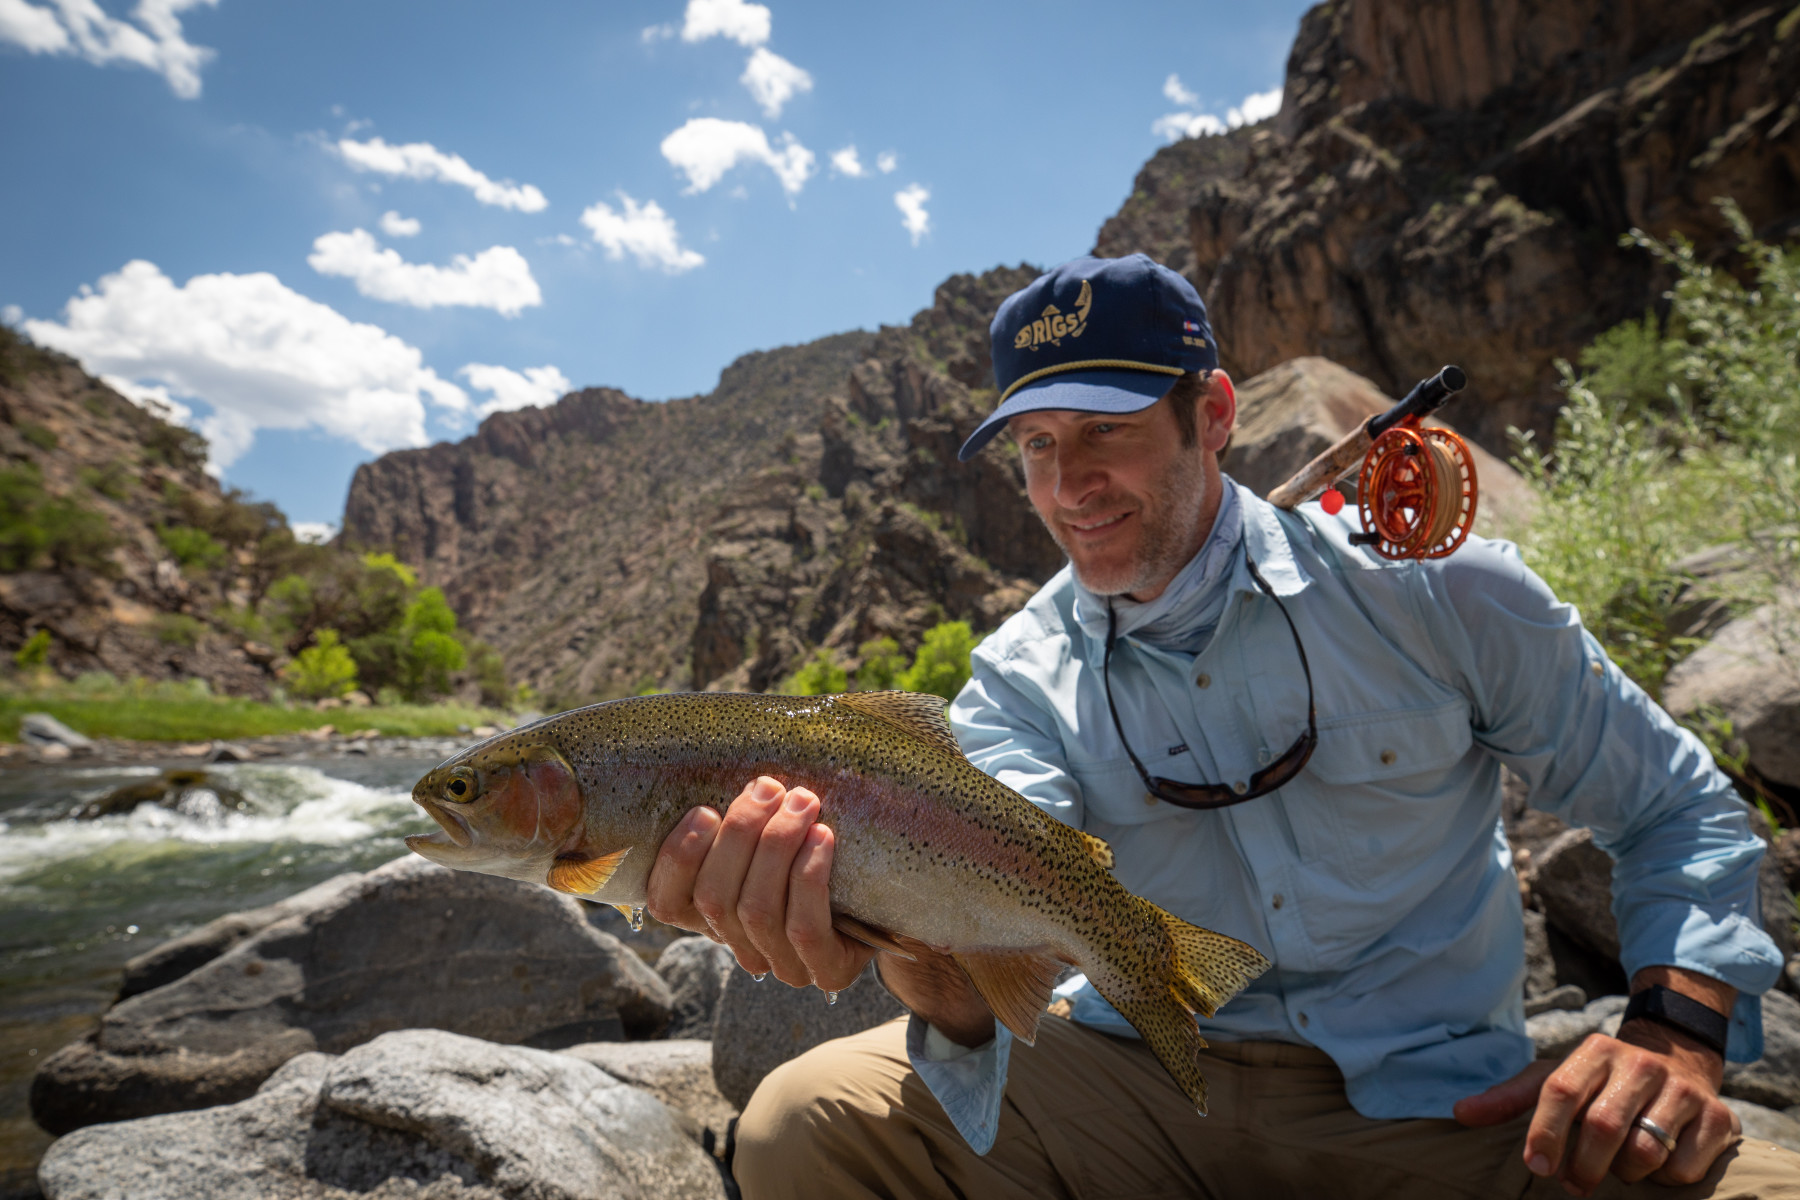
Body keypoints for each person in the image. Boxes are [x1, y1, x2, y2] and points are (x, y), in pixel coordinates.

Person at [644, 255, 1798, 1198]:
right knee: (808, 1122)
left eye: (1106, 431)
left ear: (1216, 413)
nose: (1070, 484)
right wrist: (912, 949)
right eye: (1039, 445)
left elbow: (1673, 809)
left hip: (1447, 1112)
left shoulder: (1443, 594)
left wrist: (1672, 1036)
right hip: (1136, 1088)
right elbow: (1001, 950)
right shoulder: (1014, 682)